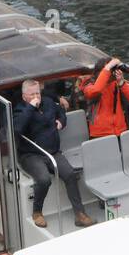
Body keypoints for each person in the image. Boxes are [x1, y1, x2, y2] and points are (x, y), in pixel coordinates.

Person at [12, 79, 93, 229]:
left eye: (38, 93)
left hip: (53, 152)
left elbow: (61, 112)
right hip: (31, 155)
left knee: (70, 174)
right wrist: (30, 107)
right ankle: (37, 212)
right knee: (43, 179)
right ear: (24, 97)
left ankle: (80, 214)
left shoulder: (48, 103)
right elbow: (17, 129)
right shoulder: (19, 111)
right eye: (32, 94)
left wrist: (61, 121)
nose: (36, 96)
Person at [80, 57, 129, 138]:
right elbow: (96, 90)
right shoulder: (88, 84)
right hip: (100, 134)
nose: (111, 72)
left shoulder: (116, 83)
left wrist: (121, 83)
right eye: (110, 69)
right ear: (101, 71)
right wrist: (108, 67)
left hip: (120, 130)